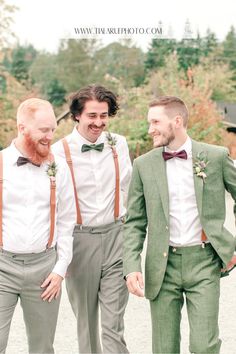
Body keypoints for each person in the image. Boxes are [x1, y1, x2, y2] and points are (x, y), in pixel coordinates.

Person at [123, 96, 236, 354]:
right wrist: (131, 266)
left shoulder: (216, 156)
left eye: (155, 122)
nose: (150, 129)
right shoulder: (143, 165)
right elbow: (134, 222)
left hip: (204, 262)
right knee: (164, 348)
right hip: (162, 266)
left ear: (177, 121)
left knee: (204, 346)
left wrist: (230, 244)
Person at [52, 84, 132, 353]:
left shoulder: (118, 144)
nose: (99, 122)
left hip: (116, 237)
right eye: (92, 116)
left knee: (113, 323)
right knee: (86, 324)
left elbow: (130, 189)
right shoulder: (57, 152)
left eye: (104, 115)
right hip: (79, 240)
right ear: (77, 115)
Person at [0, 98, 76, 353]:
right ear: (22, 128)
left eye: (53, 129)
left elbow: (67, 221)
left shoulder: (59, 167)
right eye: (44, 130)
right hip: (2, 268)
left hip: (45, 270)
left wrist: (60, 269)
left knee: (43, 347)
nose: (50, 136)